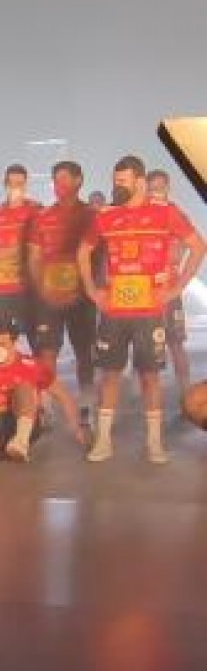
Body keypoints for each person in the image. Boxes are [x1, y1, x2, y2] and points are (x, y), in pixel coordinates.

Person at [79, 156, 206, 464]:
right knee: (110, 375)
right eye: (115, 181)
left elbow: (198, 246)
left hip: (150, 311)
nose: (117, 186)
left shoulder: (165, 212)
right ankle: (103, 441)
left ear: (140, 181)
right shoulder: (107, 215)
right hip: (114, 311)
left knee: (150, 376)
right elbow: (83, 252)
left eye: (123, 181)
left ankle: (154, 442)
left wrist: (176, 288)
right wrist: (93, 291)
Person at [0, 320, 83, 471]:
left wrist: (76, 427)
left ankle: (20, 441)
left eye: (2, 344)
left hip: (25, 419)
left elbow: (62, 395)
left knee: (23, 387)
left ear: (14, 343)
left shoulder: (31, 365)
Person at [26, 161, 97, 430]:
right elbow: (33, 258)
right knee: (46, 353)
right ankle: (45, 407)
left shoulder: (92, 215)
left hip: (82, 298)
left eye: (65, 180)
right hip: (48, 299)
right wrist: (42, 290)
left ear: (79, 181)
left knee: (84, 353)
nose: (59, 186)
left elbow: (100, 257)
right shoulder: (42, 216)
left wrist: (88, 289)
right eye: (56, 181)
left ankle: (86, 405)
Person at [0, 164, 41, 346]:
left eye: (20, 183)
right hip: (1, 291)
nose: (15, 188)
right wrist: (20, 248)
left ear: (26, 185)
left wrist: (5, 251)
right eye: (11, 183)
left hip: (31, 291)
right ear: (5, 184)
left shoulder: (37, 210)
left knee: (40, 348)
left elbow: (44, 248)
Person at [148, 169, 193, 405]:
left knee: (175, 342)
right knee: (145, 343)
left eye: (160, 187)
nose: (156, 192)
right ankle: (143, 391)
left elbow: (192, 243)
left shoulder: (175, 212)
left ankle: (185, 390)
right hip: (145, 290)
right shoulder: (142, 212)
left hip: (169, 290)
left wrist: (176, 262)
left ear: (168, 187)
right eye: (152, 187)